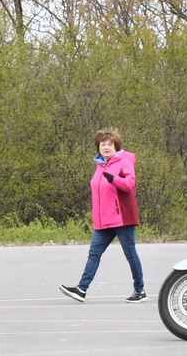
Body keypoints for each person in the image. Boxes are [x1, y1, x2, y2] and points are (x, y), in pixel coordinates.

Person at [60, 128, 146, 303]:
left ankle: (140, 290)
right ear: (98, 148)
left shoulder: (124, 162)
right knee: (94, 253)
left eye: (109, 144)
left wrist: (114, 178)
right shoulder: (100, 165)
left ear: (116, 147)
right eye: (102, 144)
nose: (106, 147)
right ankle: (81, 289)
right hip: (104, 220)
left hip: (121, 217)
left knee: (130, 253)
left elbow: (130, 185)